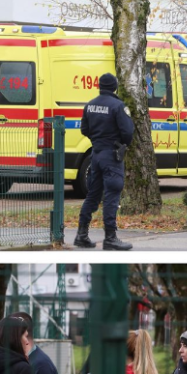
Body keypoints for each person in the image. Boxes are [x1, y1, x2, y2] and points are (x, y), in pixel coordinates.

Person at [73, 72, 135, 251]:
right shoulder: (118, 106)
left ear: (100, 86)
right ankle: (110, 237)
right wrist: (119, 143)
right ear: (114, 87)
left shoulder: (90, 105)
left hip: (96, 154)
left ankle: (81, 235)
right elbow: (128, 132)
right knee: (112, 195)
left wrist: (97, 139)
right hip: (112, 156)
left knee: (93, 194)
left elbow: (84, 129)